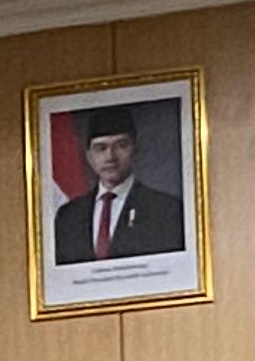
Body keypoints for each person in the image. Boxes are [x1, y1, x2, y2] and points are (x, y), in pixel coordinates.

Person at [52, 106, 185, 265]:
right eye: (100, 148)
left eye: (121, 145)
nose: (110, 157)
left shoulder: (166, 210)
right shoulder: (68, 216)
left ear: (135, 150)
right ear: (89, 156)